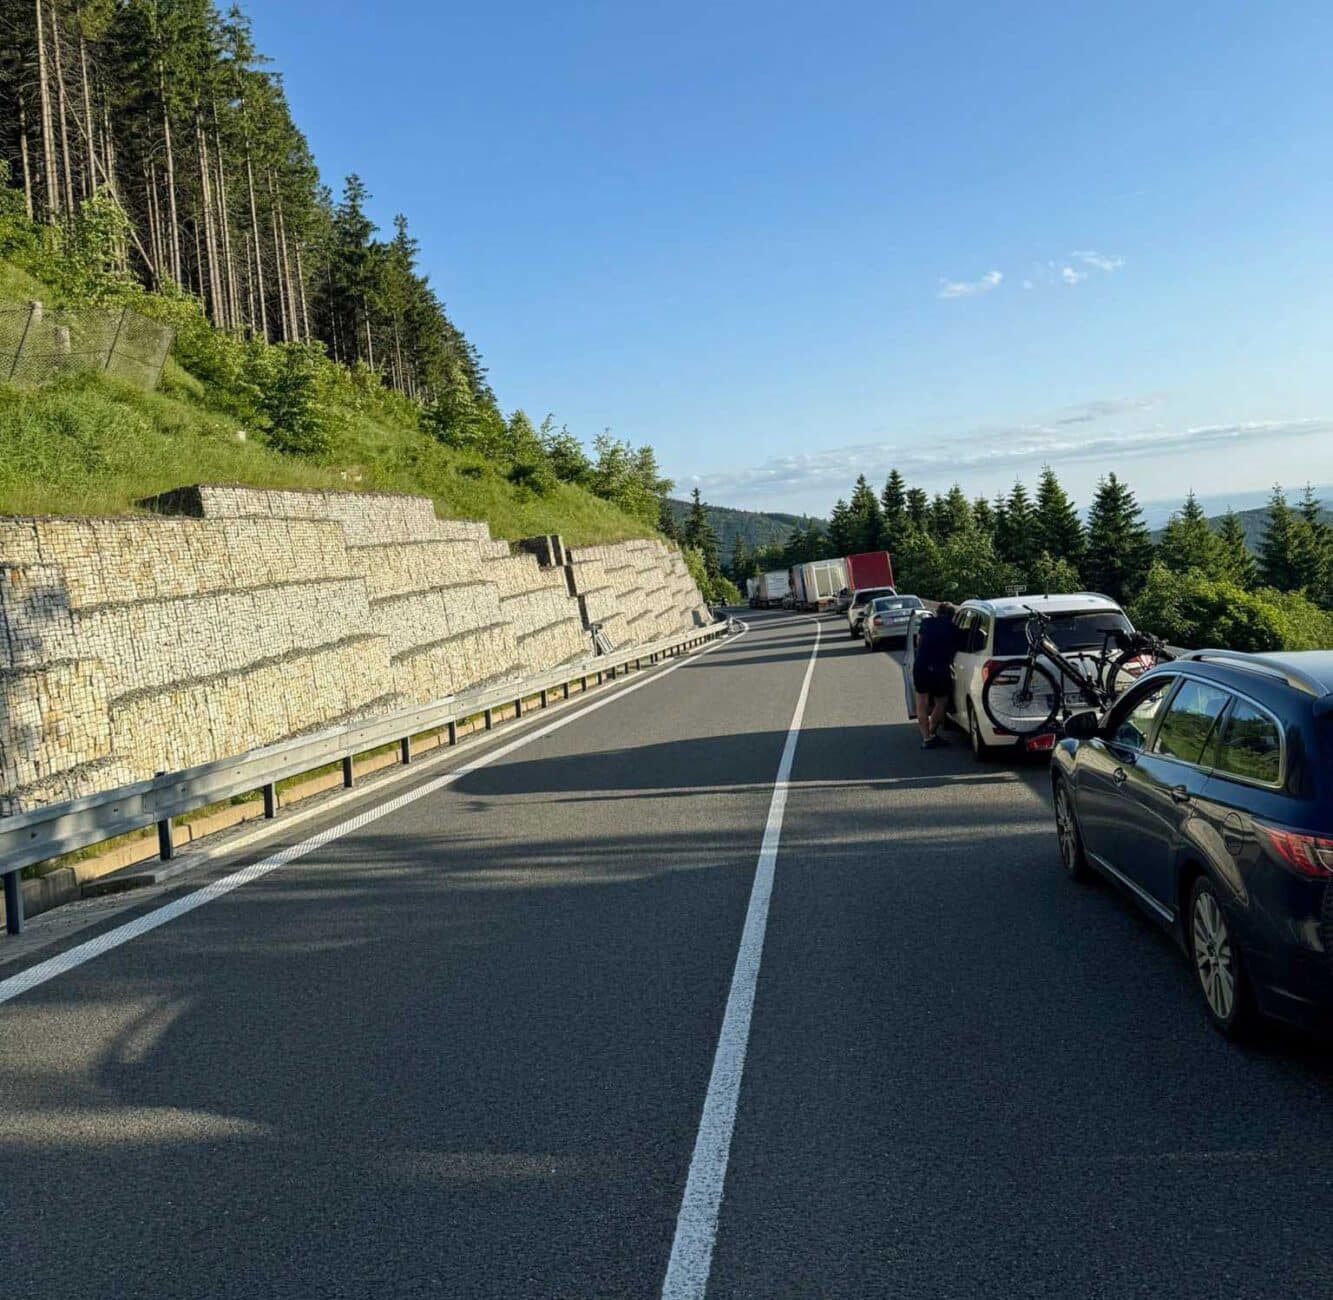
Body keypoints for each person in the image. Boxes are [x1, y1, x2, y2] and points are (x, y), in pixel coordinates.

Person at [913, 602, 960, 748]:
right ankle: (932, 731)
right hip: (940, 668)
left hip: (921, 667)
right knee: (941, 702)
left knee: (921, 702)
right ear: (952, 615)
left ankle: (926, 738)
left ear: (937, 612)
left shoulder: (926, 623)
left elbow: (918, 642)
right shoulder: (953, 629)